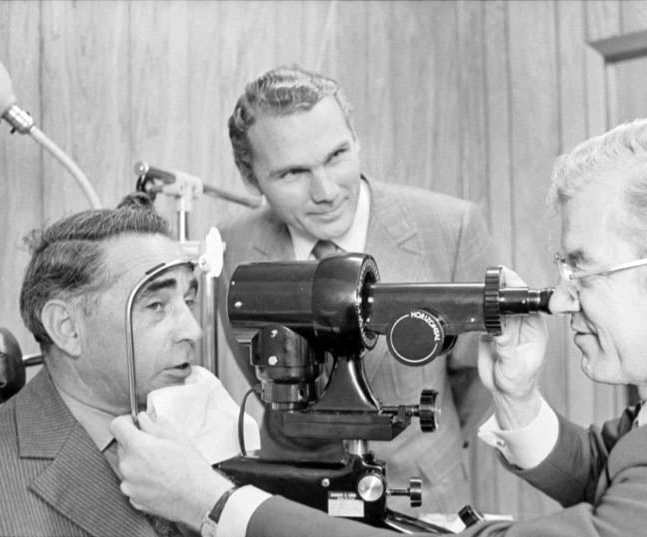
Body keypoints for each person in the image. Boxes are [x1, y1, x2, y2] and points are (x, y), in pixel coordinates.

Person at [111, 113, 647, 536]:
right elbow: (611, 465)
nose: (565, 297)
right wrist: (518, 397)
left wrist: (215, 502)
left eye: (584, 267)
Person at [216, 65, 503, 514]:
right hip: (294, 507)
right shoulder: (233, 247)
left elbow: (478, 377)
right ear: (252, 179)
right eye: (292, 173)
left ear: (356, 139)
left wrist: (420, 444)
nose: (326, 191)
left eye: (337, 156)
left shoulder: (451, 228)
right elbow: (260, 369)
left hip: (423, 499)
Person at [0, 194, 207, 537]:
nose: (193, 330)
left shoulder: (205, 425)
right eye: (156, 305)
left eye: (188, 301)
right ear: (67, 328)